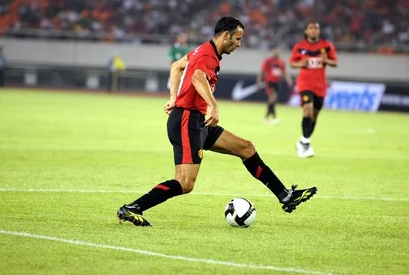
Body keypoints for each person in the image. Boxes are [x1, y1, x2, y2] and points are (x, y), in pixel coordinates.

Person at [117, 16, 318, 226]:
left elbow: (177, 66)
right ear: (225, 35)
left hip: (198, 122)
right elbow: (196, 77)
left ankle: (285, 196)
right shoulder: (207, 56)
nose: (239, 44)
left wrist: (173, 97)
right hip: (187, 120)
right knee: (185, 183)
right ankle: (132, 208)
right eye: (237, 39)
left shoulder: (202, 51)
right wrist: (212, 105)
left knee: (246, 148)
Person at [289, 21, 338, 158]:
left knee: (314, 116)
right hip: (305, 84)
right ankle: (305, 144)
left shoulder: (327, 46)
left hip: (320, 86)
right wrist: (300, 64)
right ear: (306, 31)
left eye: (316, 28)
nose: (313, 31)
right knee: (307, 110)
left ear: (319, 31)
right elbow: (292, 63)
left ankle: (303, 141)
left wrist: (326, 61)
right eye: (311, 28)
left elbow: (335, 62)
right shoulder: (299, 47)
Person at [256, 47, 293, 124]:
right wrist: (258, 82)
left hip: (277, 82)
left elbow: (285, 73)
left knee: (273, 100)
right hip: (270, 82)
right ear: (273, 51)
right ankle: (272, 117)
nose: (276, 52)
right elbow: (262, 71)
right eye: (275, 51)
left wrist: (289, 80)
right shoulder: (268, 61)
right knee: (273, 97)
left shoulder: (281, 62)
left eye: (278, 51)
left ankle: (268, 118)